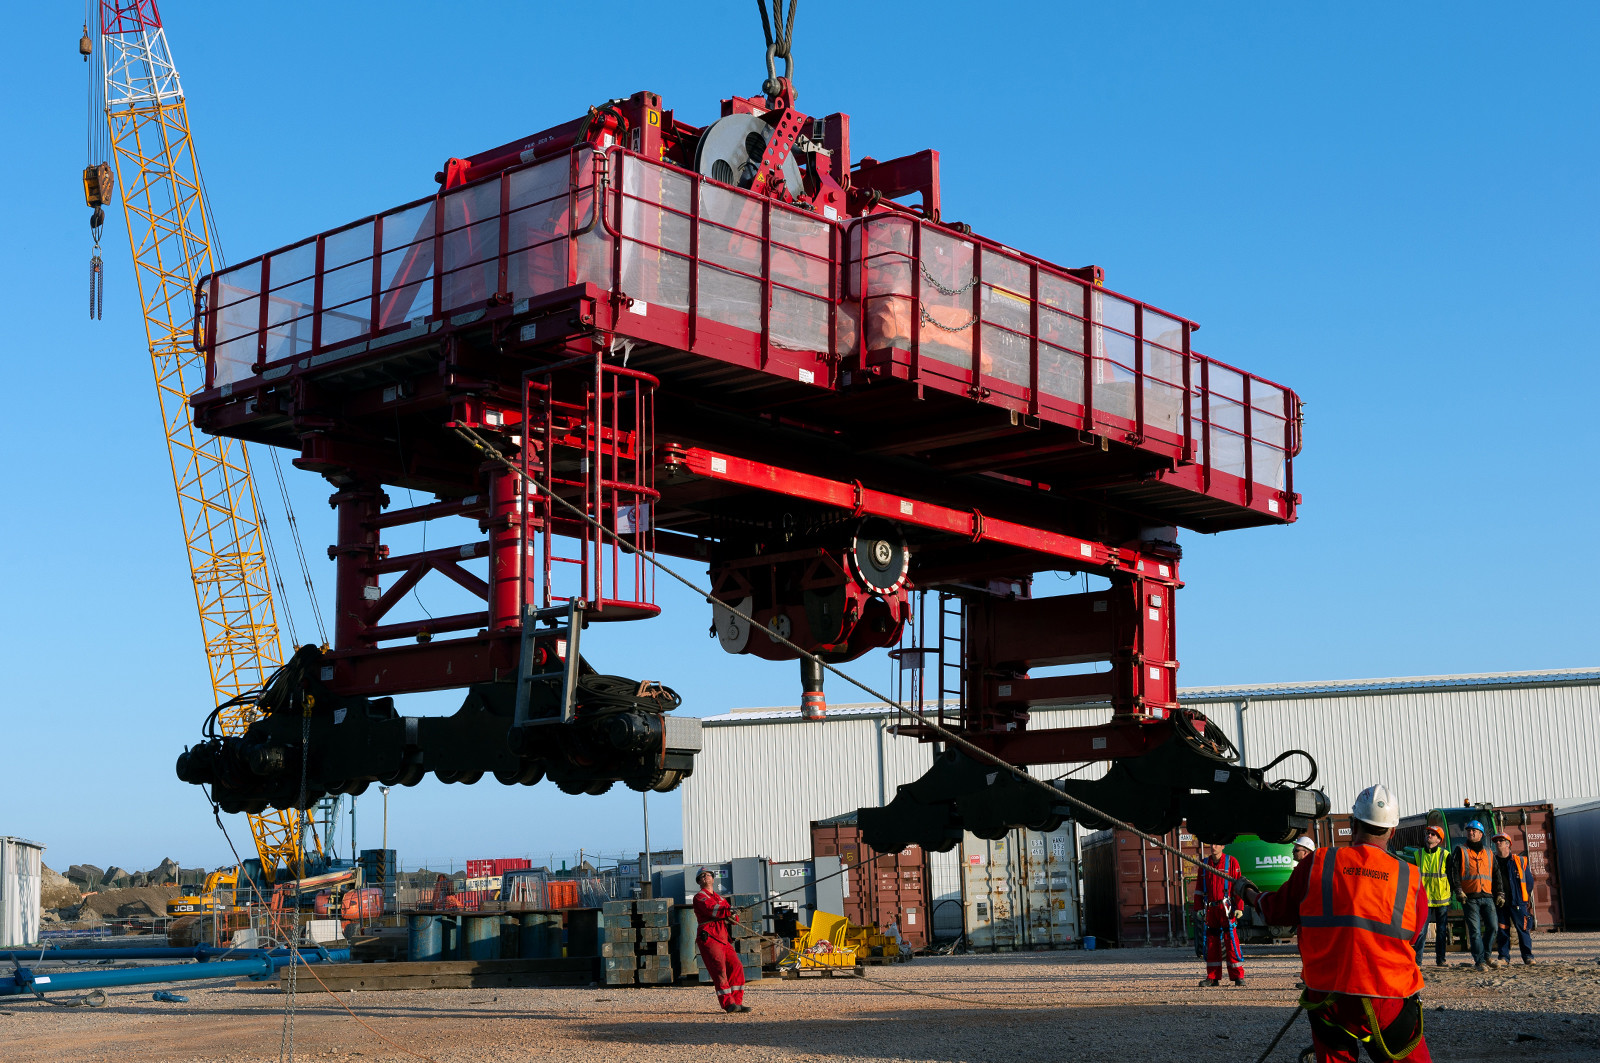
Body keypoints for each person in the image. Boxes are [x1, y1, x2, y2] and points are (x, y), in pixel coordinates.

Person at [1242, 784, 1431, 1062]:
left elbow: (1275, 911)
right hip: (1386, 997)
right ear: (1392, 831)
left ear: (1353, 824)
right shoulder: (1409, 877)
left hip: (1329, 997)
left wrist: (1247, 893)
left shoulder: (1318, 863)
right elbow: (1414, 935)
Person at [1448, 820, 1505, 971]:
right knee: (1475, 931)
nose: (1470, 833)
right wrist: (1458, 891)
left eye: (1474, 831)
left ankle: (1487, 956)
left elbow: (1497, 874)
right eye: (1469, 830)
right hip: (1470, 898)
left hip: (1487, 896)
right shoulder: (1460, 851)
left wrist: (1500, 893)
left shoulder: (1489, 852)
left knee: (1493, 927)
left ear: (1480, 834)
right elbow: (1453, 872)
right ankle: (1479, 961)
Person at [692, 868, 750, 1013]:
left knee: (736, 967)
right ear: (699, 882)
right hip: (710, 936)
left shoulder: (720, 898)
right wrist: (729, 911)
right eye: (702, 876)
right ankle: (728, 1003)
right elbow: (711, 909)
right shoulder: (700, 897)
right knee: (719, 969)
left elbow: (733, 921)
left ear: (713, 878)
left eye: (708, 875)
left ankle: (737, 1001)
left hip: (722, 936)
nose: (705, 877)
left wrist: (734, 913)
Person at [1193, 841, 1245, 986]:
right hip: (1210, 909)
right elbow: (1198, 889)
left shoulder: (1232, 862)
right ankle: (1213, 977)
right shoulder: (1204, 864)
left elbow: (1238, 886)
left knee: (1231, 941)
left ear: (1223, 846)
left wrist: (1239, 907)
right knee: (1211, 943)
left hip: (1226, 908)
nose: (1213, 847)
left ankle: (1238, 977)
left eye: (1217, 844)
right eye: (1211, 845)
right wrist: (1199, 909)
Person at [1400, 826, 1453, 967]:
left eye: (1433, 834)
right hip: (1424, 899)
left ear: (1439, 840)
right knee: (1421, 931)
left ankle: (1440, 960)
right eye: (1428, 833)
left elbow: (1452, 877)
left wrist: (1455, 893)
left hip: (1442, 898)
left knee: (1442, 932)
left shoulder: (1446, 855)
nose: (1429, 835)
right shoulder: (1418, 855)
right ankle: (1417, 961)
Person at [1492, 832, 1535, 966]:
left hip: (1518, 902)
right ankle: (1504, 957)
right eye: (1496, 841)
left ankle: (1528, 956)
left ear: (1508, 844)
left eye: (1500, 840)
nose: (1497, 843)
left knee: (1523, 929)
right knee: (1503, 930)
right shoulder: (1492, 862)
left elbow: (1529, 882)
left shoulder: (1519, 861)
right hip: (1500, 903)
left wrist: (1523, 898)